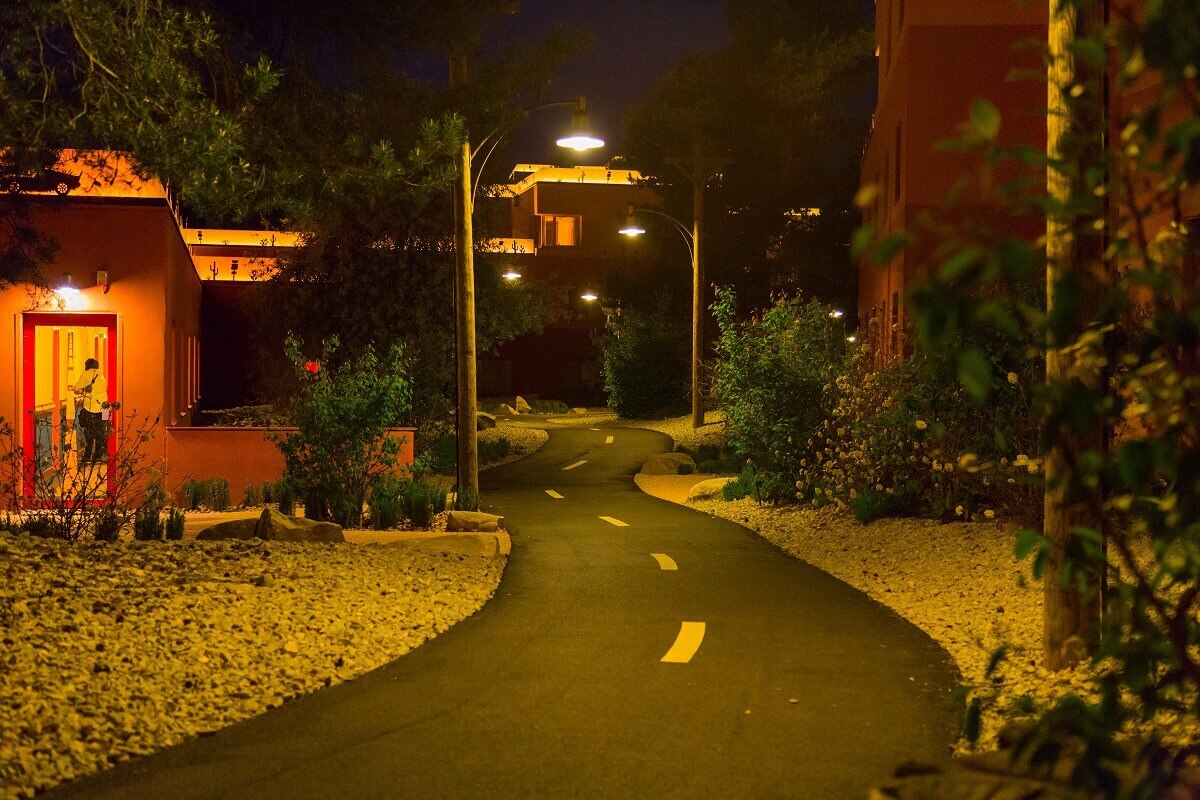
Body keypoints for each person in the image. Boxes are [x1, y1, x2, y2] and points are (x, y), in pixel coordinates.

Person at [72, 358, 108, 466]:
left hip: (91, 408)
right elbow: (102, 391)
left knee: (90, 433)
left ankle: (87, 457)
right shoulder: (102, 375)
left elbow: (77, 387)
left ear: (87, 365)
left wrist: (78, 390)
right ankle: (98, 456)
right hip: (105, 407)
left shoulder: (86, 374)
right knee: (101, 432)